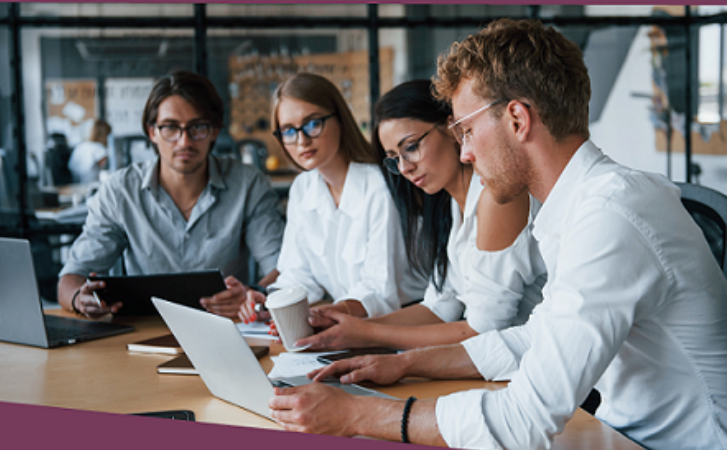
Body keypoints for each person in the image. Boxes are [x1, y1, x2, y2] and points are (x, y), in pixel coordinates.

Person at [268, 19, 727, 450]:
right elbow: (533, 339)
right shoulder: (585, 207)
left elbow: (523, 420)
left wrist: (360, 415)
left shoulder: (611, 218)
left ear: (517, 119)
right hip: (621, 434)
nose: (464, 152)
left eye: (466, 130)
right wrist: (401, 363)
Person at [293, 79, 545, 351]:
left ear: (452, 129)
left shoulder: (497, 197)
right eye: (394, 157)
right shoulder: (449, 207)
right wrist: (343, 323)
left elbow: (483, 330)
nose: (405, 168)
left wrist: (366, 333)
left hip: (540, 369)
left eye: (411, 147)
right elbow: (441, 305)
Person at [58, 71, 284, 320]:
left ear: (214, 131)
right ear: (152, 132)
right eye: (171, 128)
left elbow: (282, 270)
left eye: (198, 127)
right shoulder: (120, 191)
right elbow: (70, 279)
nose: (184, 141)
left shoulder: (248, 184)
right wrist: (80, 298)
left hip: (225, 329)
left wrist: (255, 295)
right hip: (142, 332)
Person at [239, 73, 427, 324]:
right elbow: (298, 275)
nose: (302, 140)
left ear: (339, 118)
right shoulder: (302, 188)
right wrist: (270, 301)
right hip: (346, 321)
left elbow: (380, 290)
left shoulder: (379, 186)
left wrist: (329, 313)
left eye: (313, 124)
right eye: (288, 131)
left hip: (404, 321)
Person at [68, 119, 111, 184]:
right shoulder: (99, 148)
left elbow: (71, 166)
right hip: (92, 184)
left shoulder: (80, 146)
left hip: (74, 184)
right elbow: (107, 169)